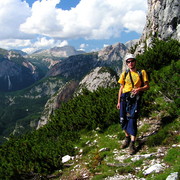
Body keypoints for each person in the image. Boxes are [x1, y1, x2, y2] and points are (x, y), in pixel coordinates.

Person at [116, 54, 150, 155]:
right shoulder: (124, 74)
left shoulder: (142, 72)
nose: (130, 63)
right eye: (128, 62)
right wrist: (118, 101)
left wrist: (139, 89)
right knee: (122, 119)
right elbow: (121, 88)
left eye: (132, 61)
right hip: (124, 98)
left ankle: (132, 143)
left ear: (135, 62)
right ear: (126, 63)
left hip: (135, 98)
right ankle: (127, 137)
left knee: (133, 119)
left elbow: (147, 86)